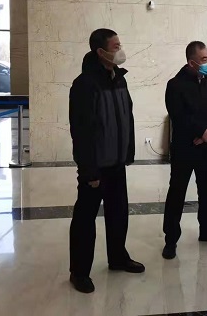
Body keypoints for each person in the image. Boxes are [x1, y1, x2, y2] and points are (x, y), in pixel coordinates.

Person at [68, 28, 145, 294]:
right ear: (101, 52)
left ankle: (118, 258)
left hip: (116, 162)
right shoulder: (85, 84)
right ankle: (79, 272)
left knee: (118, 213)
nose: (120, 50)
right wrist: (89, 170)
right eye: (116, 46)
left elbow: (127, 118)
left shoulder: (119, 79)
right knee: (85, 219)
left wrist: (128, 152)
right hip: (96, 166)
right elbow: (81, 131)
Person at [162, 41, 207, 260]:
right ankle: (171, 239)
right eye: (203, 59)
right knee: (177, 192)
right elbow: (179, 116)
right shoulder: (175, 85)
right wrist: (202, 131)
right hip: (185, 148)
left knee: (206, 189)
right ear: (191, 63)